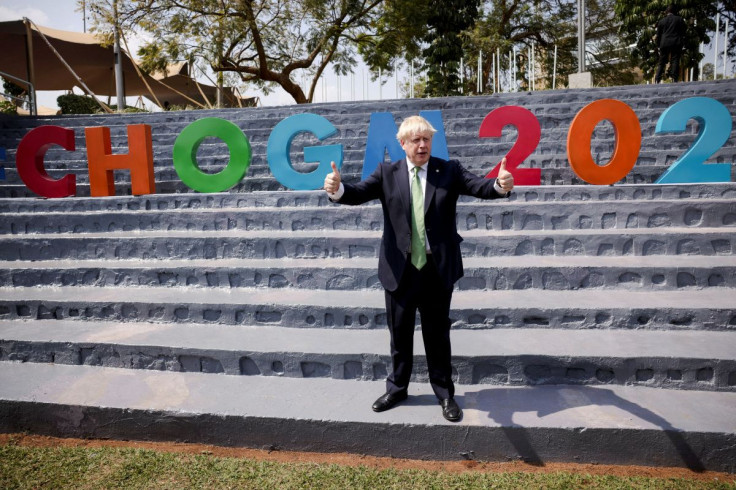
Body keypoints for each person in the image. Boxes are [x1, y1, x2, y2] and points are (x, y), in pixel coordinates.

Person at [323, 115, 514, 422]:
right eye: (416, 140)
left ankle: (444, 393)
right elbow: (356, 194)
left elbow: (480, 187)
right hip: (400, 270)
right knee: (399, 336)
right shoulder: (387, 173)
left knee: (437, 336)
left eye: (426, 139)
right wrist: (337, 189)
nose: (422, 145)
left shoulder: (448, 170)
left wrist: (500, 186)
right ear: (402, 144)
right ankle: (397, 388)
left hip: (437, 270)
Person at [654, 5, 687, 83]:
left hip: (664, 43)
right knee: (675, 60)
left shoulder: (661, 21)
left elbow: (658, 35)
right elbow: (684, 32)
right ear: (675, 11)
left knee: (661, 62)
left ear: (666, 12)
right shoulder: (679, 20)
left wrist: (658, 45)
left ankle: (657, 79)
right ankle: (674, 79)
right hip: (676, 42)